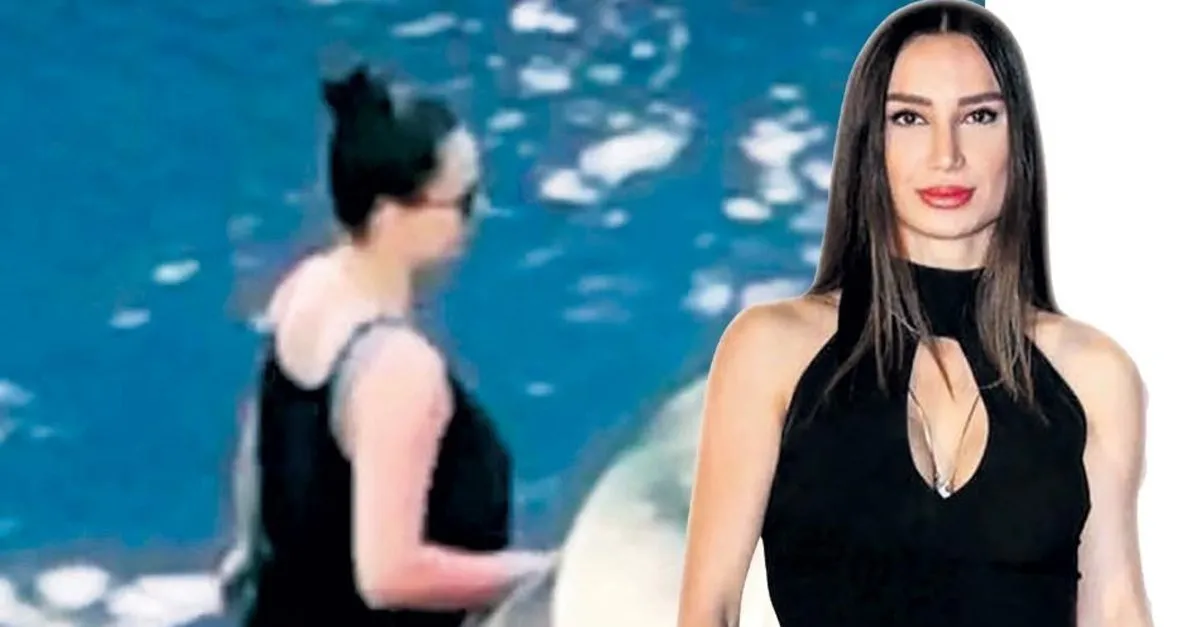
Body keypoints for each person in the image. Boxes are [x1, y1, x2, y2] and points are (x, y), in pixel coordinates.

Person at [676, 1, 1153, 626]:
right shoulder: (772, 351)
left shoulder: (1093, 373)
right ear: (869, 144)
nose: (945, 154)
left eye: (979, 116)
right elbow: (708, 607)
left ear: (1019, 138)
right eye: (909, 117)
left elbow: (1115, 608)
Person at [217, 64, 553, 627]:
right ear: (392, 213)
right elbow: (390, 575)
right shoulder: (400, 372)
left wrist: (248, 557)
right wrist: (543, 572)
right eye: (463, 200)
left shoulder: (307, 288)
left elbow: (262, 448)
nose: (478, 214)